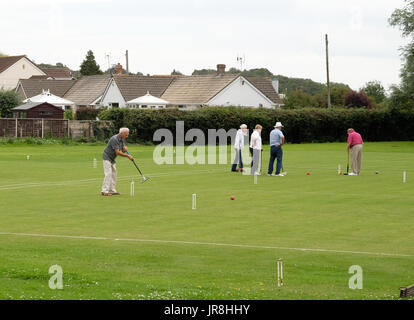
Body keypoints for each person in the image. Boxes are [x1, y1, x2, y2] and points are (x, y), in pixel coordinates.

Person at [101, 127, 133, 196]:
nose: (127, 136)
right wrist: (128, 156)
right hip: (107, 157)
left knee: (114, 174)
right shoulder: (114, 139)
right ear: (122, 133)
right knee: (108, 174)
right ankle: (104, 191)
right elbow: (117, 152)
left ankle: (112, 190)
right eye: (126, 135)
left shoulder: (122, 139)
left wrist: (125, 149)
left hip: (112, 159)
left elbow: (122, 149)